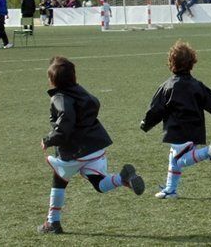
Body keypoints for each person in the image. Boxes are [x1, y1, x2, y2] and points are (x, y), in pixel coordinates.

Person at [38, 56, 145, 234]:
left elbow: (65, 121)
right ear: (74, 77)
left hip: (74, 152)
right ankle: (122, 178)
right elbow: (94, 103)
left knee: (59, 179)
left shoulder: (59, 97)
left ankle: (53, 223)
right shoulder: (81, 92)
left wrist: (48, 139)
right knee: (99, 183)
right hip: (95, 148)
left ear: (53, 81)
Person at [140, 40, 211, 199]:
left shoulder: (167, 86)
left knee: (179, 161)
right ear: (192, 63)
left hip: (178, 131)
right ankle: (170, 190)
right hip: (195, 130)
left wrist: (146, 123)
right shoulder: (197, 85)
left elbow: (156, 109)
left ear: (171, 63)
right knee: (173, 159)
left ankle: (208, 152)